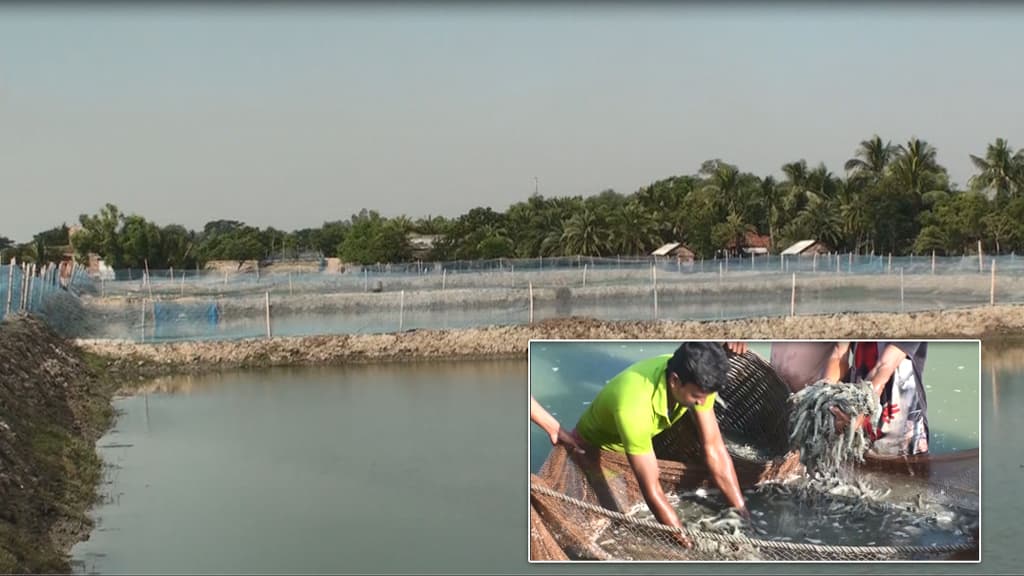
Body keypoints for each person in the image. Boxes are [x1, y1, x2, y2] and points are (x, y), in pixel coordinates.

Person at [571, 342, 749, 549]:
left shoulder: (699, 381)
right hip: (598, 451)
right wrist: (687, 544)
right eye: (697, 397)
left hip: (638, 439)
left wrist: (743, 515)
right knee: (613, 516)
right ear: (675, 381)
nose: (703, 403)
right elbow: (652, 488)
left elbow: (715, 450)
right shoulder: (633, 407)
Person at [835, 341, 930, 457]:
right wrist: (828, 403)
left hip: (901, 426)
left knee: (909, 469)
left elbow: (884, 366)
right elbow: (837, 355)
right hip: (854, 412)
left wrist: (859, 414)